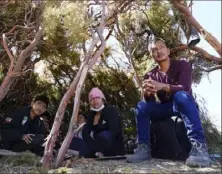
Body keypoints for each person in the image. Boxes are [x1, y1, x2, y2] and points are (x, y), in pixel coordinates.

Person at [126, 39, 211, 167]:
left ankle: (199, 148)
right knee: (141, 106)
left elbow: (185, 89)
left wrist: (163, 86)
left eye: (161, 47)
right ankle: (143, 148)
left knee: (180, 96)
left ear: (168, 51)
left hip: (184, 105)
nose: (158, 51)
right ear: (152, 55)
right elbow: (150, 102)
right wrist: (147, 94)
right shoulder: (150, 74)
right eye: (154, 50)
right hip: (166, 108)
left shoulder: (183, 65)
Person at [81, 87, 125, 158]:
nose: (95, 101)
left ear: (102, 99)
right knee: (76, 142)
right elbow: (85, 133)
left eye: (97, 98)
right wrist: (92, 144)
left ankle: (95, 151)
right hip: (97, 145)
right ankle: (95, 152)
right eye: (92, 99)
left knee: (104, 135)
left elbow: (115, 130)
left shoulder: (110, 110)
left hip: (112, 145)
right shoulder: (91, 115)